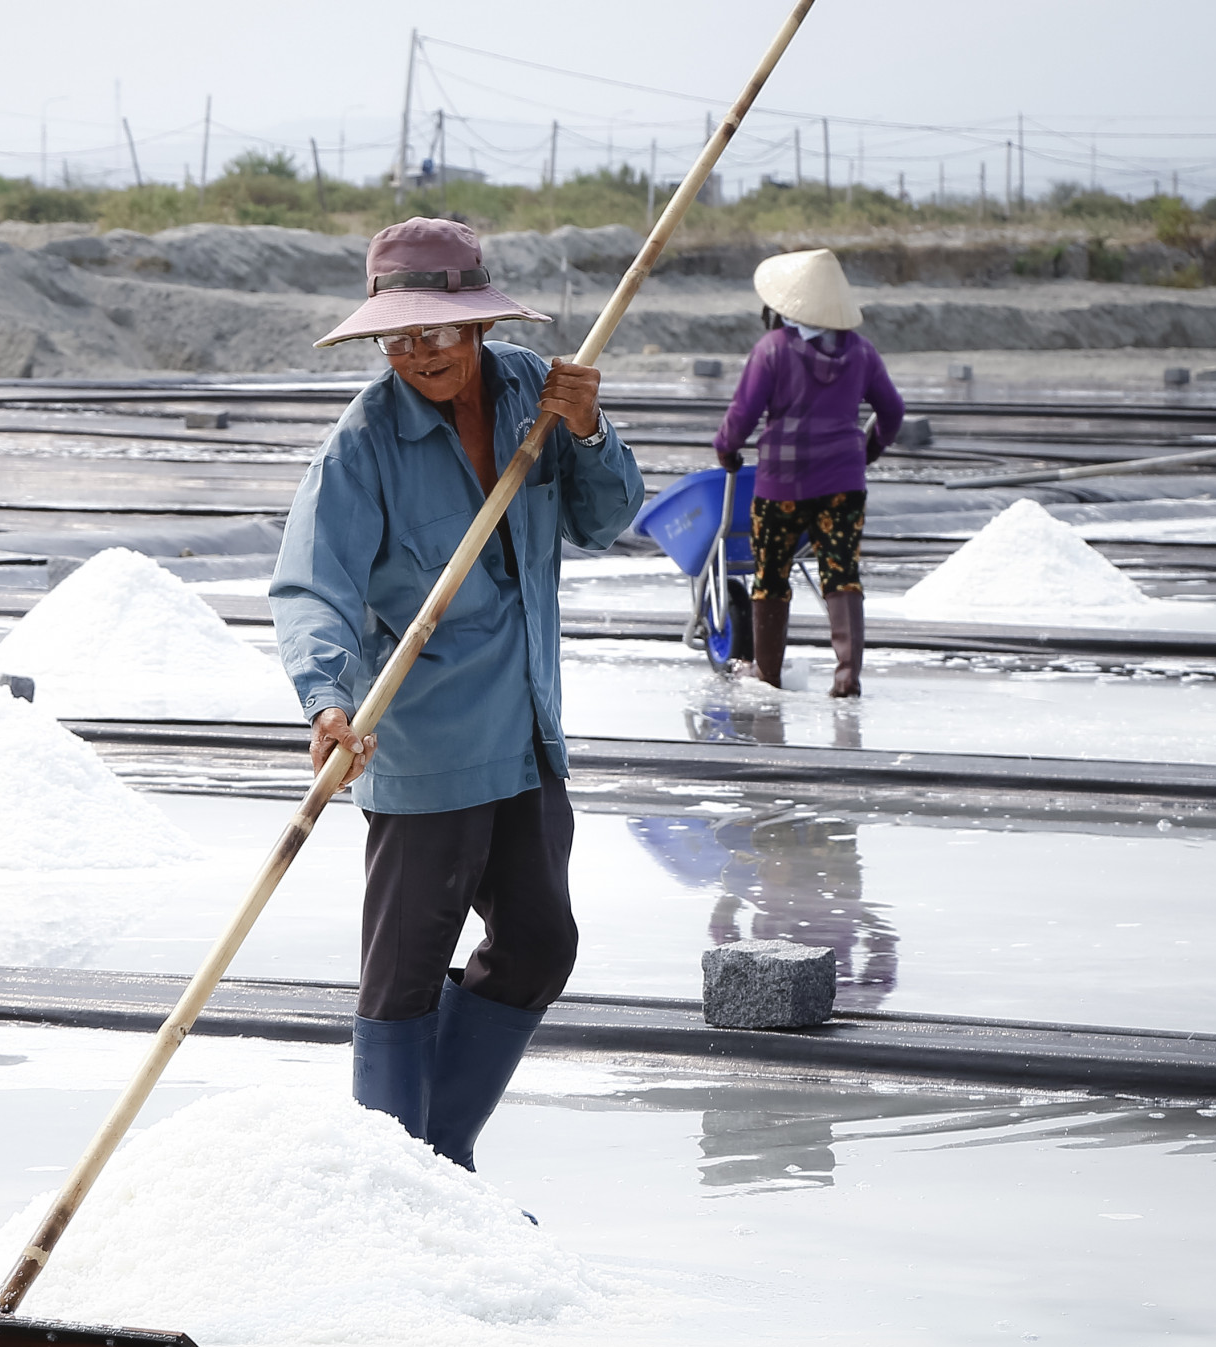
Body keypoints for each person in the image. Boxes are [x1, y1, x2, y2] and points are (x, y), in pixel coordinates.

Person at [269, 217, 643, 1172]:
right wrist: (328, 702)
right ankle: (394, 1182)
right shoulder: (362, 446)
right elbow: (314, 588)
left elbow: (605, 521)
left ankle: (435, 1163)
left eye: (434, 333)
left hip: (526, 729)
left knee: (538, 944)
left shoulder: (535, 391)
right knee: (400, 978)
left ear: (477, 325)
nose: (416, 355)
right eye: (397, 337)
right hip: (423, 744)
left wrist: (591, 430)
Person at [713, 248, 905, 698]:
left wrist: (726, 450)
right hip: (842, 484)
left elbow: (742, 415)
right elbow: (892, 411)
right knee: (842, 572)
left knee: (772, 573)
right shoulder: (861, 352)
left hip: (780, 484)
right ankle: (846, 677)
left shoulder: (772, 350)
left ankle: (767, 672)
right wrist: (867, 450)